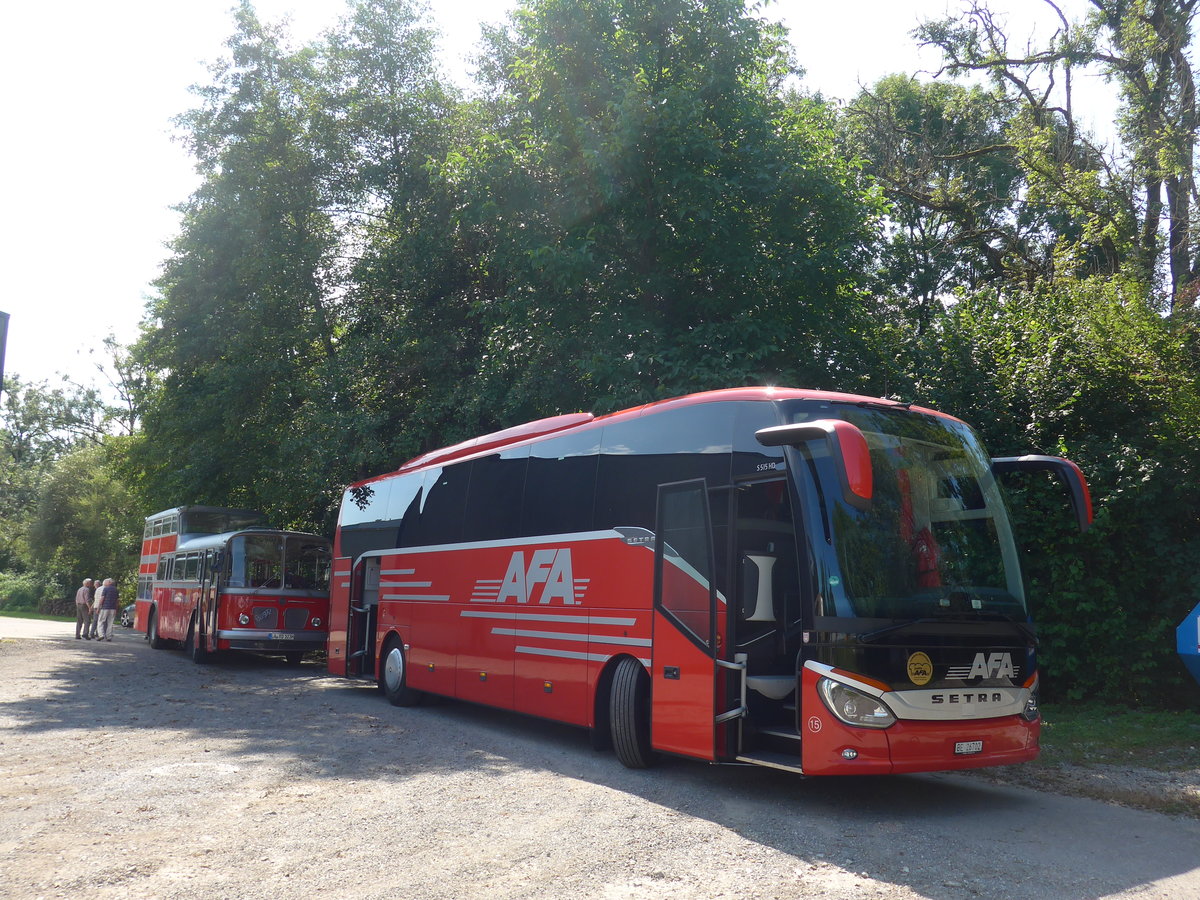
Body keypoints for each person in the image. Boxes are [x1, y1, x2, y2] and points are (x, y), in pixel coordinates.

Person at [94, 578, 119, 642]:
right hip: (113, 608)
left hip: (105, 608)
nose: (104, 583)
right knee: (110, 623)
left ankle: (101, 635)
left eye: (106, 581)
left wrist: (98, 607)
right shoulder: (116, 590)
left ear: (110, 582)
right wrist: (116, 609)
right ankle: (109, 637)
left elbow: (102, 598)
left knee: (100, 621)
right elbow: (117, 601)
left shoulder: (106, 589)